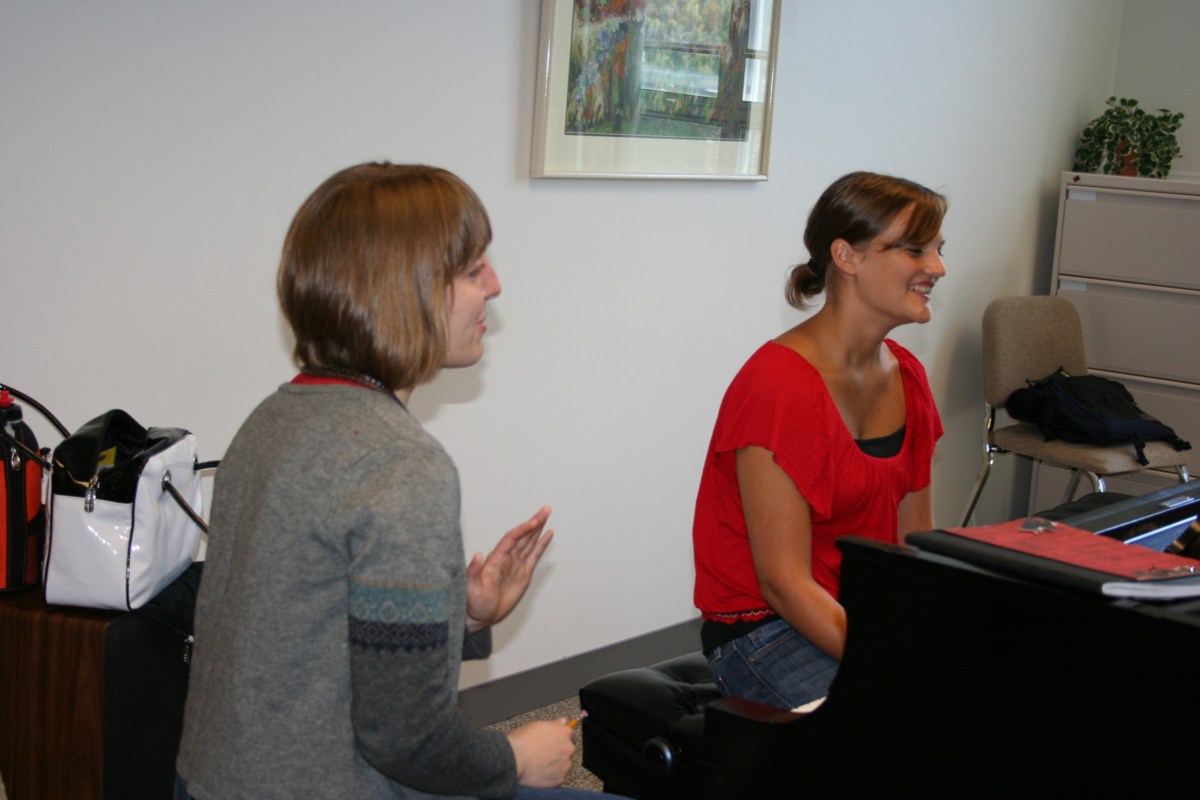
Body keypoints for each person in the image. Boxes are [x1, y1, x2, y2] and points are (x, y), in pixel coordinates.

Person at [176, 163, 626, 799]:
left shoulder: (271, 420)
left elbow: (313, 649)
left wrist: (462, 616)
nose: (495, 285)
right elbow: (405, 737)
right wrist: (515, 758)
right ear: (405, 293)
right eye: (472, 270)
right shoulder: (402, 466)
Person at [692, 171, 947, 710]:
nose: (937, 268)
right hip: (765, 629)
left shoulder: (909, 376)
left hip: (860, 608)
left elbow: (914, 541)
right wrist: (889, 657)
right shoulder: (777, 387)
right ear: (846, 256)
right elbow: (784, 583)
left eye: (939, 250)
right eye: (915, 250)